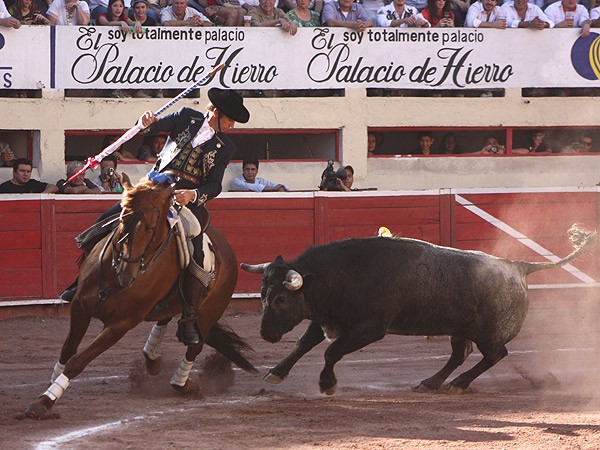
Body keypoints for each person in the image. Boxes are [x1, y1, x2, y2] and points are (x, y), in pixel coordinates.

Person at [60, 88, 250, 348]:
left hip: (184, 202)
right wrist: (145, 122)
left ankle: (190, 314)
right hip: (153, 188)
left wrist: (193, 195)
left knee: (196, 248)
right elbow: (153, 128)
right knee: (105, 222)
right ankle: (80, 281)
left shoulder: (225, 146)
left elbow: (214, 185)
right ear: (216, 113)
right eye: (230, 120)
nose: (231, 126)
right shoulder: (187, 117)